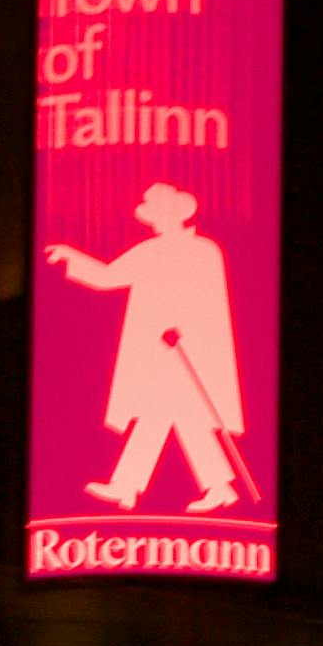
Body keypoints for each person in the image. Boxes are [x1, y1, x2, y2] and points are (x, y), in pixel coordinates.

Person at [45, 184, 254, 512]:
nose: (154, 222)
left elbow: (212, 303)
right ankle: (158, 486)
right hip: (159, 350)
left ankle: (136, 486)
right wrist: (73, 256)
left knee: (174, 414)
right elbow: (108, 276)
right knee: (166, 414)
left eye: (159, 215)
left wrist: (190, 332)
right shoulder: (150, 250)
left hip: (190, 351)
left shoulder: (205, 251)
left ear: (176, 215)